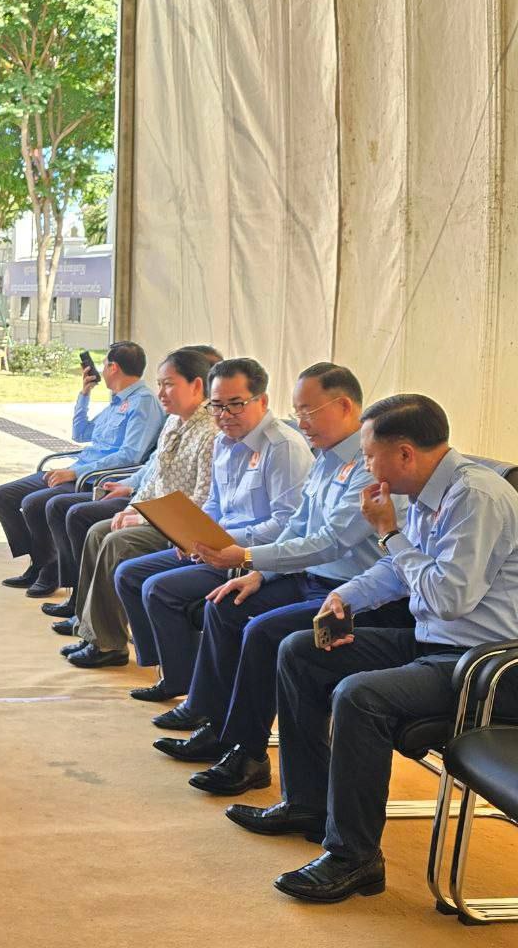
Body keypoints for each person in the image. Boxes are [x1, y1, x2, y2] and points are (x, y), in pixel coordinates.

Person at [227, 394, 518, 904]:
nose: (364, 465)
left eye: (368, 454)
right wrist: (345, 597)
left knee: (360, 696)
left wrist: (389, 533)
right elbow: (398, 572)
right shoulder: (428, 492)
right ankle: (307, 803)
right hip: (436, 644)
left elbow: (448, 598)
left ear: (404, 453)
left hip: (484, 669)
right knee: (300, 650)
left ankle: (354, 857)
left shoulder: (476, 497)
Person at [154, 365, 409, 791]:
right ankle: (217, 728)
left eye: (309, 411)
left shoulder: (370, 467)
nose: (301, 421)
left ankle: (247, 754)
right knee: (226, 605)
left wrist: (248, 555)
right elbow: (299, 526)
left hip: (355, 596)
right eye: (298, 411)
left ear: (345, 406)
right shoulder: (326, 458)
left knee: (265, 632)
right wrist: (259, 572)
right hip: (309, 578)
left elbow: (331, 542)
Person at [114, 357, 314, 709]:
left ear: (262, 401)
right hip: (216, 546)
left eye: (236, 404)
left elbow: (286, 524)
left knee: (159, 589)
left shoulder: (282, 447)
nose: (224, 415)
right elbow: (214, 503)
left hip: (252, 556)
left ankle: (195, 695)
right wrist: (190, 532)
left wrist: (222, 540)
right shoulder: (224, 442)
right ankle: (176, 674)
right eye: (217, 405)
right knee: (129, 574)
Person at [60, 349, 218, 667]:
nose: (161, 393)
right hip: (158, 516)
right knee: (98, 531)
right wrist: (132, 508)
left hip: (183, 527)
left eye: (169, 384)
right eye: (159, 384)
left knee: (116, 543)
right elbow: (153, 477)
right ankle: (88, 627)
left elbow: (203, 500)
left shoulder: (210, 433)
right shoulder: (174, 421)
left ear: (197, 385)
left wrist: (146, 518)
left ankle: (107, 644)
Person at [0, 341, 165, 597]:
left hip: (93, 477)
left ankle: (49, 569)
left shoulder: (143, 403)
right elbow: (81, 433)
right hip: (79, 468)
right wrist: (85, 394)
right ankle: (41, 560)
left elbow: (130, 455)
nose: (101, 370)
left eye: (104, 365)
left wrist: (76, 473)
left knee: (34, 503)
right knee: (3, 495)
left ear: (113, 367)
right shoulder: (117, 402)